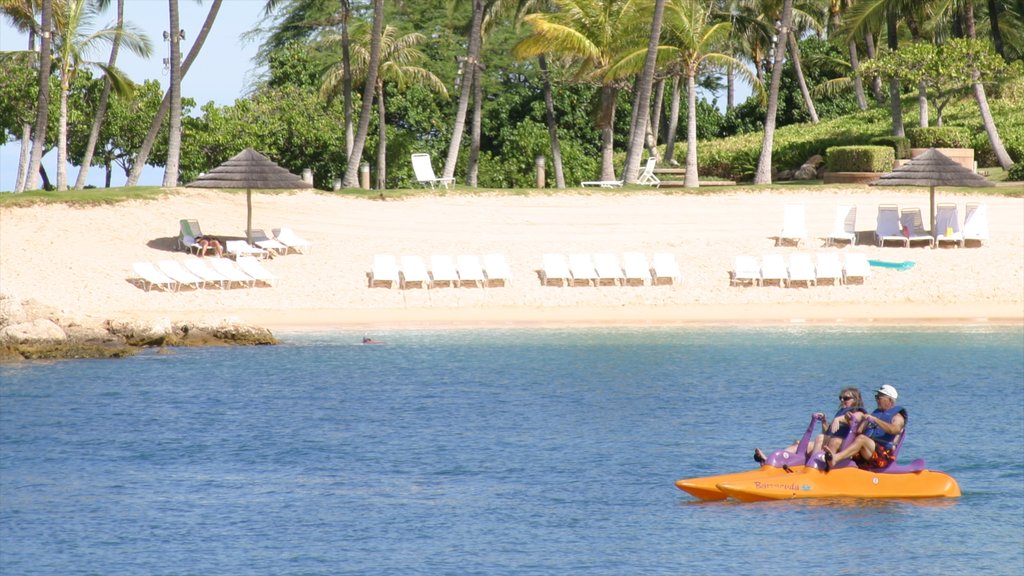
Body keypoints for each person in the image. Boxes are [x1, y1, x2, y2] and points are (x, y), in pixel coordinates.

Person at [753, 387, 866, 464]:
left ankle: (815, 465)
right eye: (841, 398)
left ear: (855, 399)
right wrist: (824, 422)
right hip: (831, 442)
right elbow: (828, 432)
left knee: (820, 437)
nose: (842, 400)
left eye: (846, 398)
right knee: (801, 444)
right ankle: (772, 461)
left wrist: (839, 419)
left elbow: (856, 418)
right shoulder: (841, 411)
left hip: (845, 446)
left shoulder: (860, 412)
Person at [823, 384, 906, 471]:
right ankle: (827, 468)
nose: (876, 399)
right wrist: (851, 420)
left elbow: (894, 430)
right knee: (836, 441)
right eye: (876, 396)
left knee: (861, 439)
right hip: (867, 450)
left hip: (883, 456)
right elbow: (859, 431)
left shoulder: (898, 417)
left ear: (889, 399)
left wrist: (876, 420)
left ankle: (836, 459)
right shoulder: (876, 413)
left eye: (879, 397)